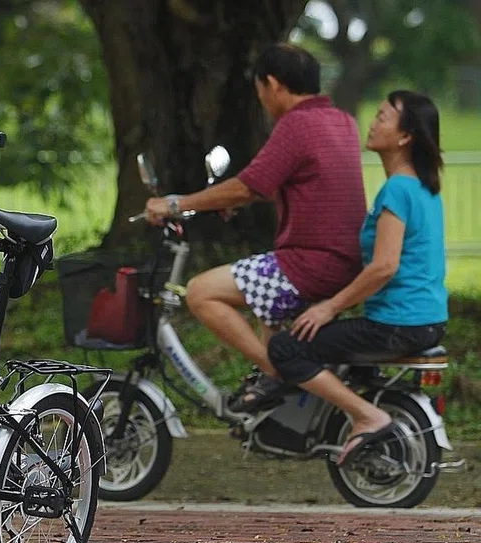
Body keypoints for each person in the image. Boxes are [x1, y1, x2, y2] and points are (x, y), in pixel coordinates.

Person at [144, 43, 367, 412]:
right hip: (345, 261)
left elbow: (249, 185)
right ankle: (285, 408)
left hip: (311, 265)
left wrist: (175, 203)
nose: (260, 97)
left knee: (200, 292)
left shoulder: (295, 124)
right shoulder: (341, 120)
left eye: (260, 88)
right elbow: (301, 179)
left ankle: (279, 373)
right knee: (265, 301)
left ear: (274, 85)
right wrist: (233, 199)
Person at [268, 90, 447, 466]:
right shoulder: (423, 188)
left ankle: (368, 416)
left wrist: (328, 308)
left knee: (286, 347)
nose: (372, 122)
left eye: (383, 117)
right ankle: (353, 422)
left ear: (404, 137)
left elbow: (384, 267)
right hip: (427, 321)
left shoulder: (397, 189)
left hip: (396, 324)